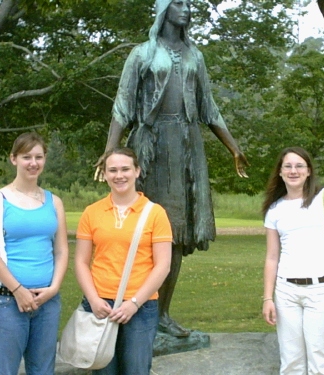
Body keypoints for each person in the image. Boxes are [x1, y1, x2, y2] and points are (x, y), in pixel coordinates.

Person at [94, 0, 249, 337]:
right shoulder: (142, 54)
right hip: (151, 145)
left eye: (189, 3)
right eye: (178, 3)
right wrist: (110, 153)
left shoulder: (195, 56)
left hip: (187, 147)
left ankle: (161, 314)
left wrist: (233, 147)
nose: (187, 9)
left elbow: (209, 108)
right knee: (141, 230)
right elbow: (122, 106)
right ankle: (132, 309)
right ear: (164, 10)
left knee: (174, 234)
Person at [75, 147, 172, 375]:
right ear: (105, 174)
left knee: (136, 370)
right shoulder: (92, 212)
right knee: (103, 371)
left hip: (140, 306)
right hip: (100, 306)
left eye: (125, 169)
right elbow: (80, 262)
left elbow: (162, 265)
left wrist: (134, 303)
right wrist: (94, 299)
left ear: (137, 171)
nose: (119, 175)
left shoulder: (155, 213)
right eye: (113, 170)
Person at [0, 132, 69, 375]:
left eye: (39, 157)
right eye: (26, 156)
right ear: (13, 159)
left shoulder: (54, 201)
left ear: (45, 159)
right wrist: (18, 290)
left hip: (47, 303)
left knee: (42, 370)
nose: (33, 162)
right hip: (7, 302)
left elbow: (61, 250)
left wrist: (54, 288)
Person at [261, 147, 324, 375]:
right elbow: (272, 257)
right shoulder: (275, 209)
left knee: (320, 360)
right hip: (286, 291)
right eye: (288, 166)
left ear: (308, 171)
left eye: (299, 166)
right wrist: (268, 298)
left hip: (321, 290)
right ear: (280, 172)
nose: (294, 171)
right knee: (291, 361)